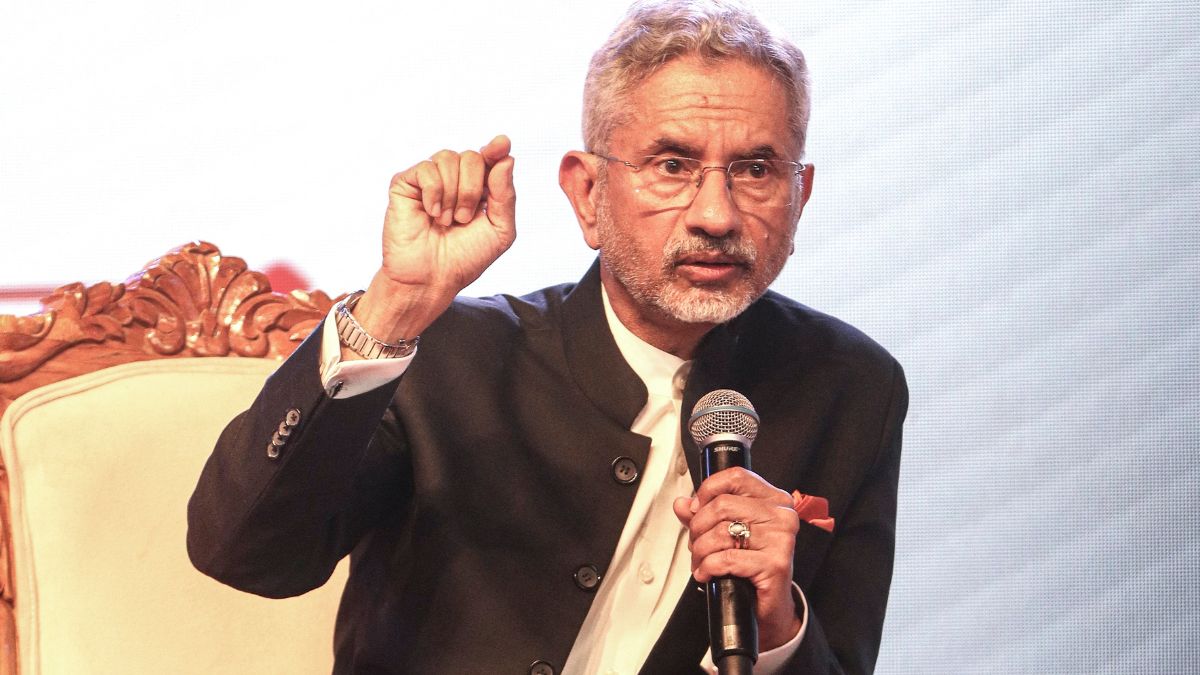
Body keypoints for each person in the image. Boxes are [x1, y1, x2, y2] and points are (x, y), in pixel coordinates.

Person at [187, 1, 907, 673]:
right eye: (672, 166)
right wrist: (396, 307)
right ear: (587, 194)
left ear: (799, 195)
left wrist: (779, 628)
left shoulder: (849, 388)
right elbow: (245, 552)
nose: (715, 215)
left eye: (755, 170)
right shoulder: (445, 353)